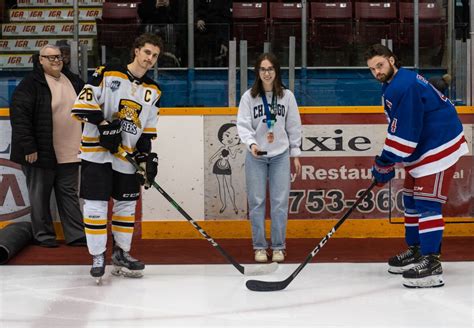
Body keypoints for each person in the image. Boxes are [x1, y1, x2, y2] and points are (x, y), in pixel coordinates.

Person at [365, 44, 469, 288]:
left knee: (426, 204)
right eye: (372, 69)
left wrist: (384, 162)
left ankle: (432, 263)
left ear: (392, 60)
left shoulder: (403, 86)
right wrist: (387, 160)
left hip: (438, 145)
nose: (376, 72)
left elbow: (405, 136)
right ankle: (417, 250)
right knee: (410, 201)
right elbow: (403, 130)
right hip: (424, 147)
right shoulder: (396, 82)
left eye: (380, 65)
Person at [71, 33, 163, 282]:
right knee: (96, 206)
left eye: (154, 55)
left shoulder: (153, 90)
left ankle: (122, 253)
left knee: (126, 207)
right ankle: (98, 255)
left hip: (125, 157)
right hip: (96, 153)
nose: (149, 59)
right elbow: (82, 104)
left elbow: (146, 130)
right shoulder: (109, 72)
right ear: (136, 50)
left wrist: (146, 157)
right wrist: (103, 125)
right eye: (146, 52)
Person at [9, 44, 86, 248]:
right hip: (40, 152)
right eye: (50, 57)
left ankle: (76, 234)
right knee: (39, 195)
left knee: (69, 194)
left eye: (58, 57)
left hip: (70, 151)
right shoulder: (30, 84)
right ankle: (43, 236)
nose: (56, 61)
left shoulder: (74, 81)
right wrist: (29, 147)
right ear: (40, 60)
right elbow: (20, 118)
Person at [237, 52, 302, 263]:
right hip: (256, 156)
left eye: (270, 69)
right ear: (257, 72)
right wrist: (252, 144)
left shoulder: (287, 96)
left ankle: (278, 246)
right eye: (263, 69)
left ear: (276, 71)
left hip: (280, 155)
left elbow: (294, 126)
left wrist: (296, 153)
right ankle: (259, 247)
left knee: (279, 203)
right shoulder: (249, 97)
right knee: (256, 202)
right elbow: (243, 125)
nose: (267, 73)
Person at [195, 0, 231, 67]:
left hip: (217, 38)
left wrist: (224, 42)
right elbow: (194, 11)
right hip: (200, 38)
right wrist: (198, 20)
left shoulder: (223, 3)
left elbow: (226, 20)